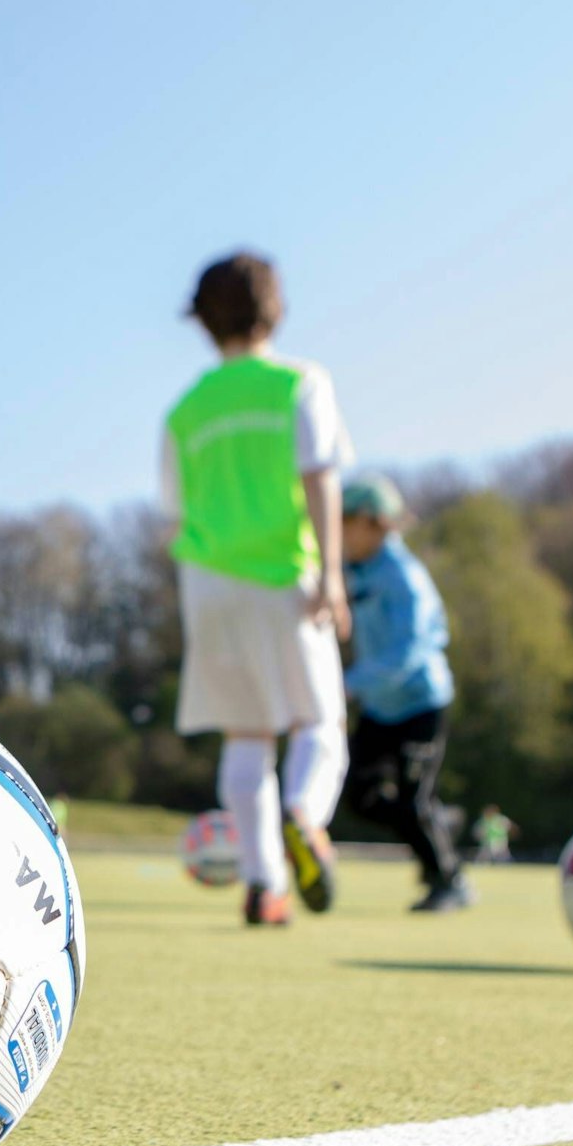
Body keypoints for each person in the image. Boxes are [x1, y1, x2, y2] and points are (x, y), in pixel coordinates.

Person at [161, 252, 353, 926]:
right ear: (276, 308)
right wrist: (332, 574)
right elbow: (321, 476)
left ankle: (263, 883)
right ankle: (306, 815)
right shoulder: (300, 383)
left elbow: (174, 509)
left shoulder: (185, 409)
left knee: (246, 737)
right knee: (319, 722)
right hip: (283, 573)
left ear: (202, 322)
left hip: (207, 582)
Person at [339, 475, 472, 911]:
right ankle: (442, 822)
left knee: (414, 799)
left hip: (420, 703)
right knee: (360, 797)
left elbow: (410, 651)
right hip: (381, 707)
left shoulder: (404, 579)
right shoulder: (350, 569)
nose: (334, 529)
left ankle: (448, 881)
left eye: (343, 521)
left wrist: (347, 686)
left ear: (374, 524)